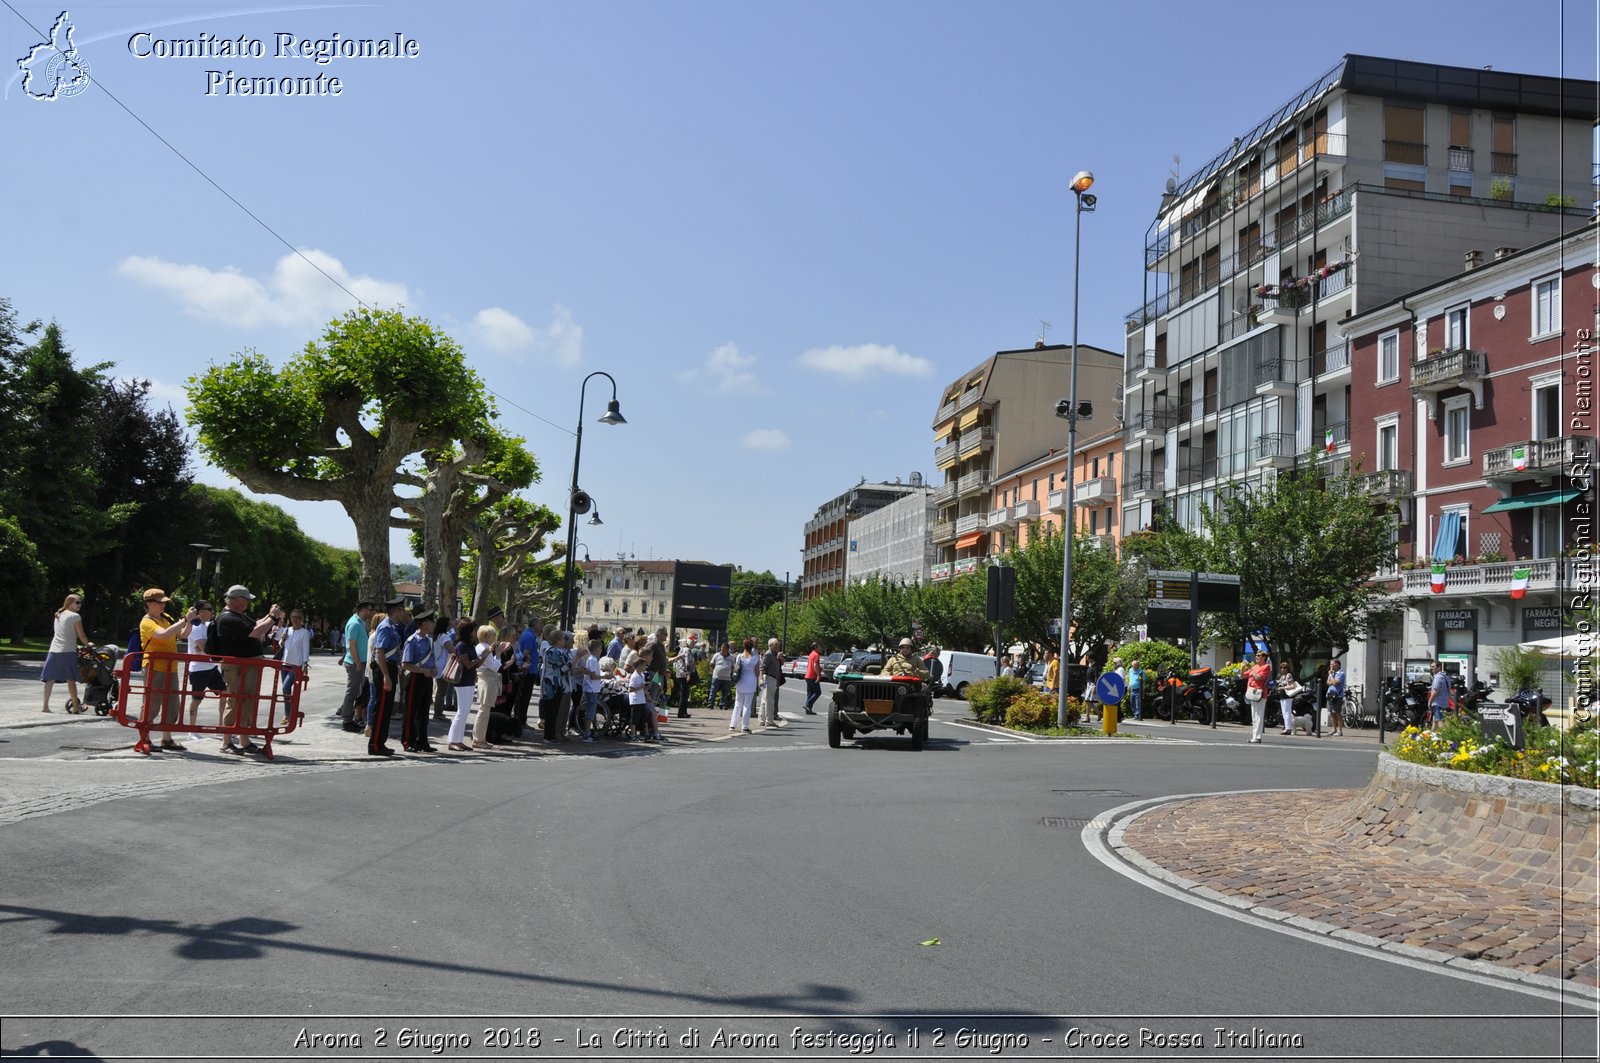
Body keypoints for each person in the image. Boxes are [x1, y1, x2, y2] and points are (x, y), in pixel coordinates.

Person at [211, 585, 278, 756]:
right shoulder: (228, 618)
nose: (248, 603)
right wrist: (273, 618)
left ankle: (244, 740)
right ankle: (226, 742)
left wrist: (269, 616)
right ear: (237, 600)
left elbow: (254, 624)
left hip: (246, 666)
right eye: (246, 599)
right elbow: (254, 632)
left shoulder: (237, 616)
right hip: (237, 667)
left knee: (247, 701)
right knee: (234, 701)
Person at [138, 589, 195, 751]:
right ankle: (145, 739)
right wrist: (184, 619)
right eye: (159, 602)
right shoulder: (147, 622)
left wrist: (189, 621)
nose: (163, 605)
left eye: (163, 602)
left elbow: (182, 635)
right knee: (152, 703)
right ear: (149, 604)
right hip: (154, 667)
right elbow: (162, 635)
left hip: (171, 667)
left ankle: (167, 739)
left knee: (172, 704)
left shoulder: (167, 618)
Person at [365, 596, 409, 757]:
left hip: (390, 668)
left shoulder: (393, 626)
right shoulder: (385, 627)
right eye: (402, 610)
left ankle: (381, 742)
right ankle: (375, 744)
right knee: (381, 708)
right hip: (383, 670)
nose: (403, 612)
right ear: (396, 611)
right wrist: (386, 676)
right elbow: (380, 652)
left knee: (386, 708)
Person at [40, 593, 91, 714]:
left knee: (49, 679)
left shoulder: (58, 615)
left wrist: (75, 645)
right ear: (69, 603)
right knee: (71, 679)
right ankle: (76, 708)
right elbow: (81, 635)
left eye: (80, 602)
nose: (79, 605)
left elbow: (62, 634)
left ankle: (45, 707)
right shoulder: (75, 616)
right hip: (67, 651)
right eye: (77, 602)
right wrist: (88, 645)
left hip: (54, 650)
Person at [400, 609, 438, 753]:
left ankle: (422, 741)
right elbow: (406, 663)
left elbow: (431, 659)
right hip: (415, 677)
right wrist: (423, 671)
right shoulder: (412, 640)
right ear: (424, 623)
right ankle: (408, 741)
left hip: (427, 678)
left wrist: (434, 668)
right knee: (411, 710)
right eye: (431, 621)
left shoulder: (429, 639)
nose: (434, 624)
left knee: (424, 711)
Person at [184, 601, 226, 726]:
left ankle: (221, 725)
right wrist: (209, 645)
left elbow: (212, 644)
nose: (212, 612)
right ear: (201, 611)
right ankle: (191, 729)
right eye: (209, 609)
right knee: (197, 699)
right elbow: (205, 648)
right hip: (198, 669)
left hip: (211, 667)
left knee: (225, 693)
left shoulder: (208, 626)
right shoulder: (195, 627)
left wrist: (210, 645)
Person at [445, 620, 485, 751]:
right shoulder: (461, 645)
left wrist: (484, 656)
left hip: (469, 681)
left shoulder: (470, 645)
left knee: (465, 711)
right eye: (473, 630)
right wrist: (479, 658)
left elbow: (476, 664)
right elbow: (468, 664)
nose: (475, 632)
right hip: (462, 681)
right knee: (461, 711)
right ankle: (452, 740)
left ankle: (459, 740)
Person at [338, 600, 375, 732]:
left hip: (359, 662)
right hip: (355, 663)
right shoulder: (354, 623)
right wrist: (358, 662)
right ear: (364, 610)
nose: (371, 613)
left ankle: (350, 717)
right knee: (352, 691)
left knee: (356, 691)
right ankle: (346, 719)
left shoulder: (359, 623)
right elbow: (351, 645)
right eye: (370, 610)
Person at [472, 622, 504, 748]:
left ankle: (479, 738)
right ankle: (479, 739)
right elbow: (495, 667)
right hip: (487, 679)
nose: (495, 637)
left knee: (484, 709)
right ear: (487, 636)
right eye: (493, 635)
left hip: (485, 678)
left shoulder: (480, 646)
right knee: (484, 709)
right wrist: (499, 654)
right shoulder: (485, 648)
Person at [539, 630, 572, 742]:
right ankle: (548, 737)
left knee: (554, 711)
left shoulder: (556, 651)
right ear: (558, 640)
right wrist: (576, 658)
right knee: (551, 712)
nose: (564, 641)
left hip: (555, 684)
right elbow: (564, 669)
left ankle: (551, 736)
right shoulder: (553, 652)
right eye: (563, 638)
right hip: (551, 685)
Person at [275, 609, 312, 703]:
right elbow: (281, 645)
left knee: (286, 687)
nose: (295, 619)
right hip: (285, 662)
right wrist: (283, 639)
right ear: (290, 618)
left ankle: (288, 712)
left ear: (301, 619)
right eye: (293, 617)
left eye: (298, 617)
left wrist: (305, 663)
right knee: (286, 691)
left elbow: (305, 649)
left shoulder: (304, 633)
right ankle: (288, 713)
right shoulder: (287, 629)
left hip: (296, 664)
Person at [730, 637, 759, 733]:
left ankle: (732, 725)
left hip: (740, 681)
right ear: (752, 646)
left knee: (738, 704)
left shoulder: (739, 656)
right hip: (751, 681)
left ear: (744, 646)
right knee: (747, 705)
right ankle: (745, 726)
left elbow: (736, 668)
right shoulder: (755, 657)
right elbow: (757, 672)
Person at [430, 614, 455, 722]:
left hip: (436, 664)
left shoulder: (435, 636)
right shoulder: (445, 637)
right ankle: (438, 713)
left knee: (440, 691)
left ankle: (438, 712)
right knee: (441, 692)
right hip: (443, 666)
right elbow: (451, 649)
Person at [1244, 651, 1272, 742]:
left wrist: (1250, 668)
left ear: (1264, 657)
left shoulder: (1266, 666)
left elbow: (1258, 678)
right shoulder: (1255, 666)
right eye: (1256, 655)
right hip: (1252, 692)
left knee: (1259, 715)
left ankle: (1258, 736)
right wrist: (1242, 667)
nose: (1257, 657)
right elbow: (1242, 675)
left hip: (1260, 693)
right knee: (1254, 715)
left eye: (1259, 656)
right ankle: (1254, 736)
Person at [760, 638, 784, 727]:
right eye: (776, 645)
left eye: (778, 645)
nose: (778, 646)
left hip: (772, 678)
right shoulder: (769, 654)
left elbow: (780, 664)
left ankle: (762, 719)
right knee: (769, 700)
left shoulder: (774, 655)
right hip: (769, 678)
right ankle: (769, 720)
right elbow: (762, 667)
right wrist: (761, 678)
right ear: (770, 646)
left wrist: (779, 658)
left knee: (765, 700)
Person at [670, 638, 695, 718]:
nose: (693, 644)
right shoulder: (687, 650)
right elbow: (687, 662)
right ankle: (681, 712)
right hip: (684, 674)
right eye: (692, 643)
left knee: (685, 693)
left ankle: (683, 712)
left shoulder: (682, 649)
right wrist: (688, 674)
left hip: (680, 673)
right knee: (684, 694)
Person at [1275, 660, 1300, 736]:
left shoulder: (1288, 675)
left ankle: (1288, 728)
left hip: (1287, 696)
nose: (1283, 669)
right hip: (1282, 696)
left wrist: (1283, 688)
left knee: (1287, 712)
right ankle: (1287, 727)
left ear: (1287, 669)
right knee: (1284, 712)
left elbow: (1292, 686)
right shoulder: (1281, 676)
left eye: (1285, 668)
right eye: (1281, 668)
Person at [708, 641, 734, 711]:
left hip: (727, 678)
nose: (722, 649)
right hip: (716, 677)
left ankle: (723, 705)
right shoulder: (716, 655)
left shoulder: (731, 657)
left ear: (727, 649)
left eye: (724, 648)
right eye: (722, 648)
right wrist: (716, 670)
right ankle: (710, 704)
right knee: (713, 691)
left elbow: (733, 666)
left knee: (725, 693)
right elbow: (712, 664)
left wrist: (729, 672)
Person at [1326, 658, 1346, 736]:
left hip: (1337, 695)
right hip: (1330, 694)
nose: (1330, 665)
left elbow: (1335, 683)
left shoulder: (1341, 673)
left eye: (1332, 664)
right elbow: (1328, 682)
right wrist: (1331, 678)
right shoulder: (1332, 673)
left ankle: (1340, 730)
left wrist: (1331, 676)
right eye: (1330, 664)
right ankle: (1334, 729)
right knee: (1331, 713)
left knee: (1337, 713)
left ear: (1337, 664)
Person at [1428, 659, 1451, 729]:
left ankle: (1444, 736)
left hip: (1438, 703)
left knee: (1440, 720)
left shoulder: (1438, 677)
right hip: (1445, 702)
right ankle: (1431, 736)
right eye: (1431, 666)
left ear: (1439, 667)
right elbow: (1449, 690)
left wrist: (1430, 701)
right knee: (1435, 720)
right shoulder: (1446, 677)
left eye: (1433, 666)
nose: (1431, 668)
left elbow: (1435, 691)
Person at [803, 643, 822, 714]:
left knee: (810, 693)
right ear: (815, 647)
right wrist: (818, 675)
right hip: (812, 676)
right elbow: (815, 665)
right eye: (819, 647)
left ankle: (808, 710)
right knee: (818, 692)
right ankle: (807, 704)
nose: (820, 648)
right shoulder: (816, 655)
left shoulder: (811, 654)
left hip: (808, 676)